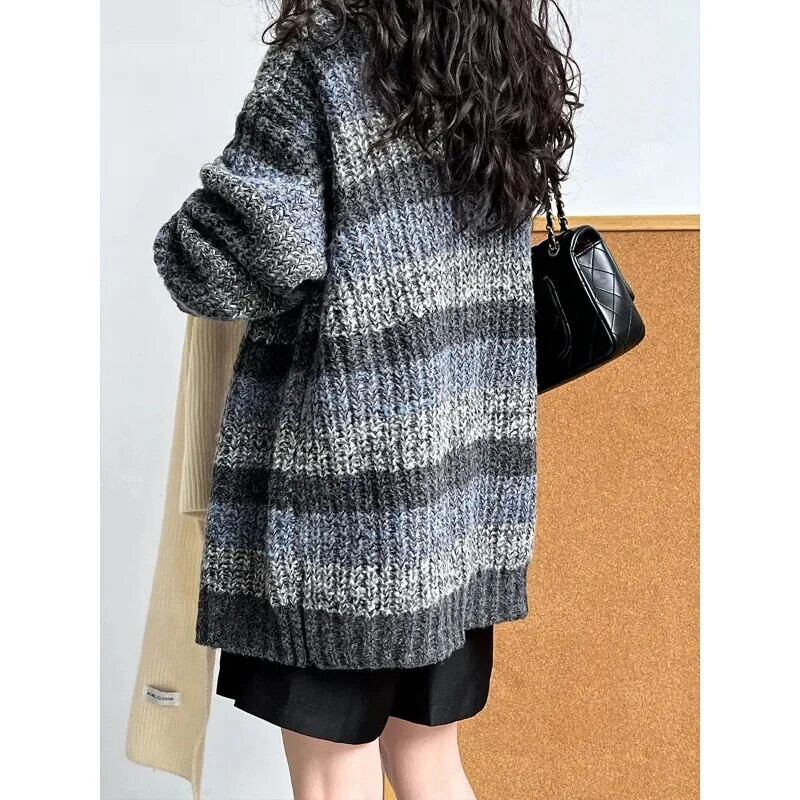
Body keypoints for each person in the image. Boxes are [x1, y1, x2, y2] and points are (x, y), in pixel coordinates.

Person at [153, 1, 579, 797]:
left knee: (332, 775)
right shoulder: (498, 53)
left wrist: (180, 243)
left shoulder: (323, 59)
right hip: (457, 503)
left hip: (342, 510)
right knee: (430, 764)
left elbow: (242, 253)